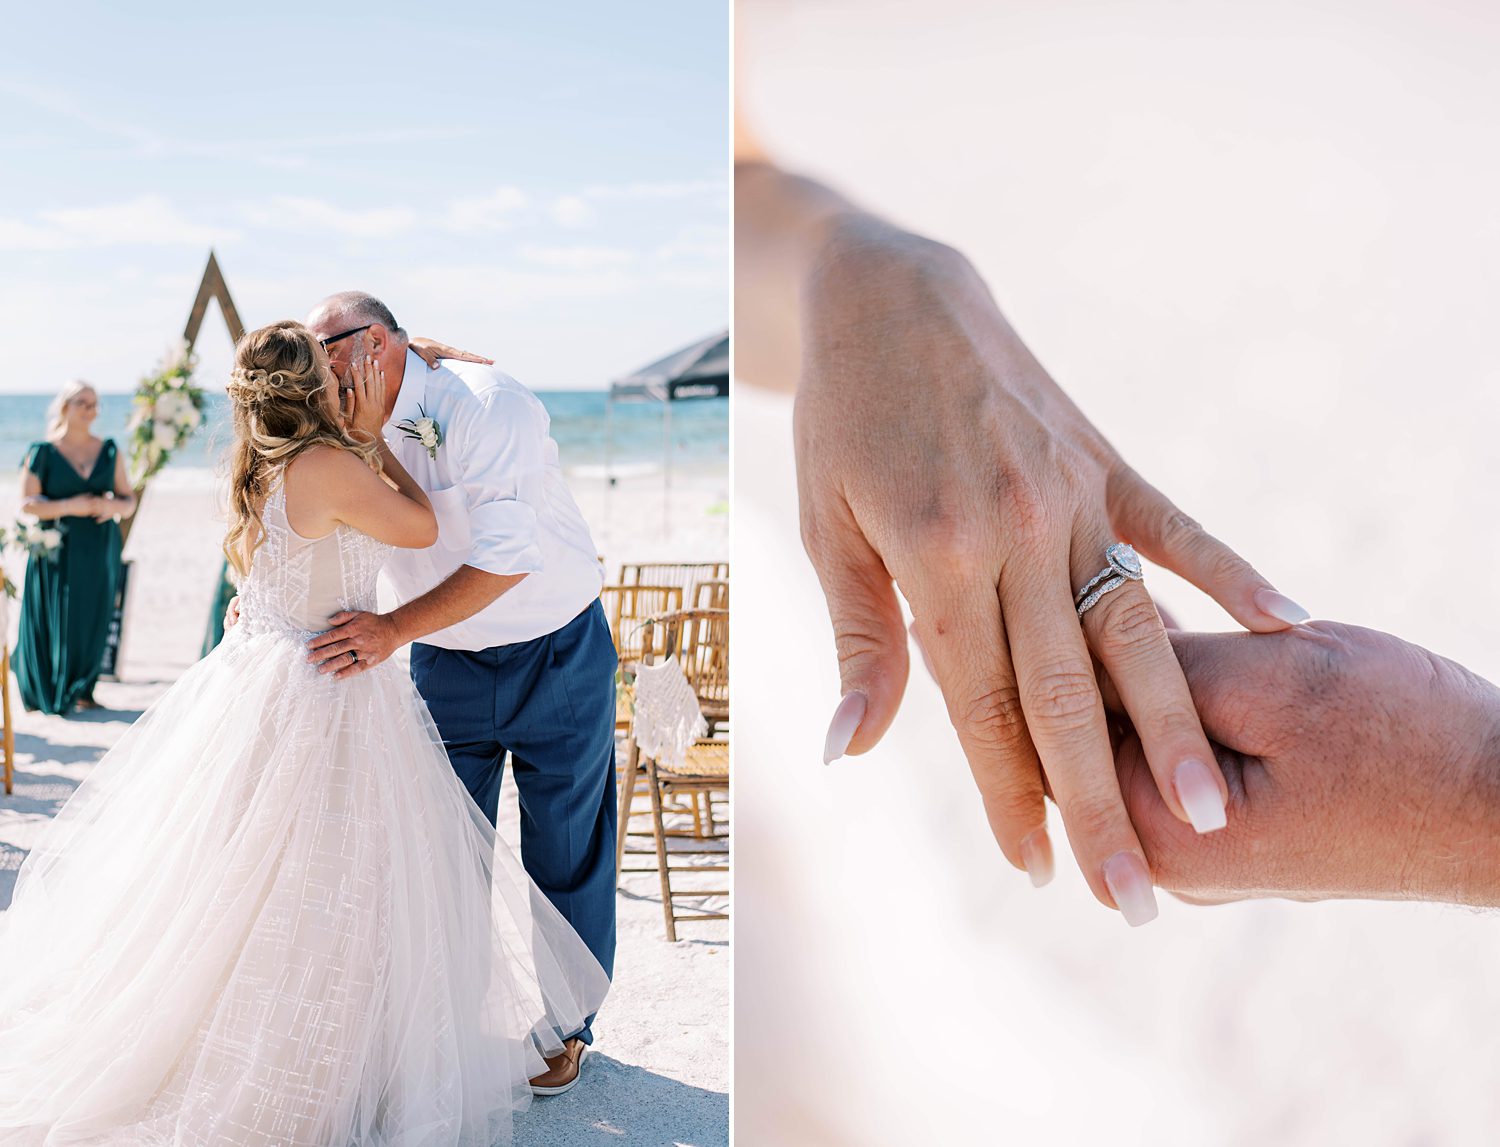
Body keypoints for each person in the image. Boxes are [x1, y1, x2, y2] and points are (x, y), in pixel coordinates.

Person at [0, 321, 608, 1145]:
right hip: (334, 686)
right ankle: (348, 1053)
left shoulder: (263, 463)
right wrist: (373, 442)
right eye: (327, 365)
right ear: (311, 389)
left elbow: (274, 572)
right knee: (352, 877)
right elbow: (423, 526)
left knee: (281, 881)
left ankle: (451, 1033)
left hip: (287, 676)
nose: (342, 374)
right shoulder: (333, 462)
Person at [296, 292, 620, 1092]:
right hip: (444, 661)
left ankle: (566, 1026)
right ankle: (449, 1022)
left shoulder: (488, 404)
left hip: (557, 649)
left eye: (321, 349)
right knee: (441, 851)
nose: (313, 368)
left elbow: (508, 558)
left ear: (372, 342)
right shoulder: (341, 418)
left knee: (566, 850)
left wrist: (390, 628)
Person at [14, 381, 136, 715]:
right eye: (84, 403)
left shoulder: (109, 450)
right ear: (65, 405)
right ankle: (51, 688)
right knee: (59, 613)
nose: (91, 410)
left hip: (99, 546)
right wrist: (72, 505)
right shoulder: (43, 451)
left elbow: (128, 500)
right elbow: (27, 504)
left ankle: (84, 688)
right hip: (56, 547)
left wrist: (112, 507)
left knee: (93, 613)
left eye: (95, 404)